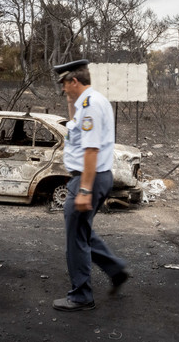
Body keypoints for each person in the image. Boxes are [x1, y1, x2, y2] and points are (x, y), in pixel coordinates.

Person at [51, 59, 129, 312]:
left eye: (64, 84)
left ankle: (81, 295)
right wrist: (70, 104)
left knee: (75, 239)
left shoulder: (92, 105)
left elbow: (91, 149)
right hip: (94, 177)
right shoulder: (88, 102)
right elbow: (76, 130)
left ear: (74, 81)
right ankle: (115, 269)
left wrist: (84, 189)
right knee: (82, 231)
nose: (63, 89)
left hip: (89, 178)